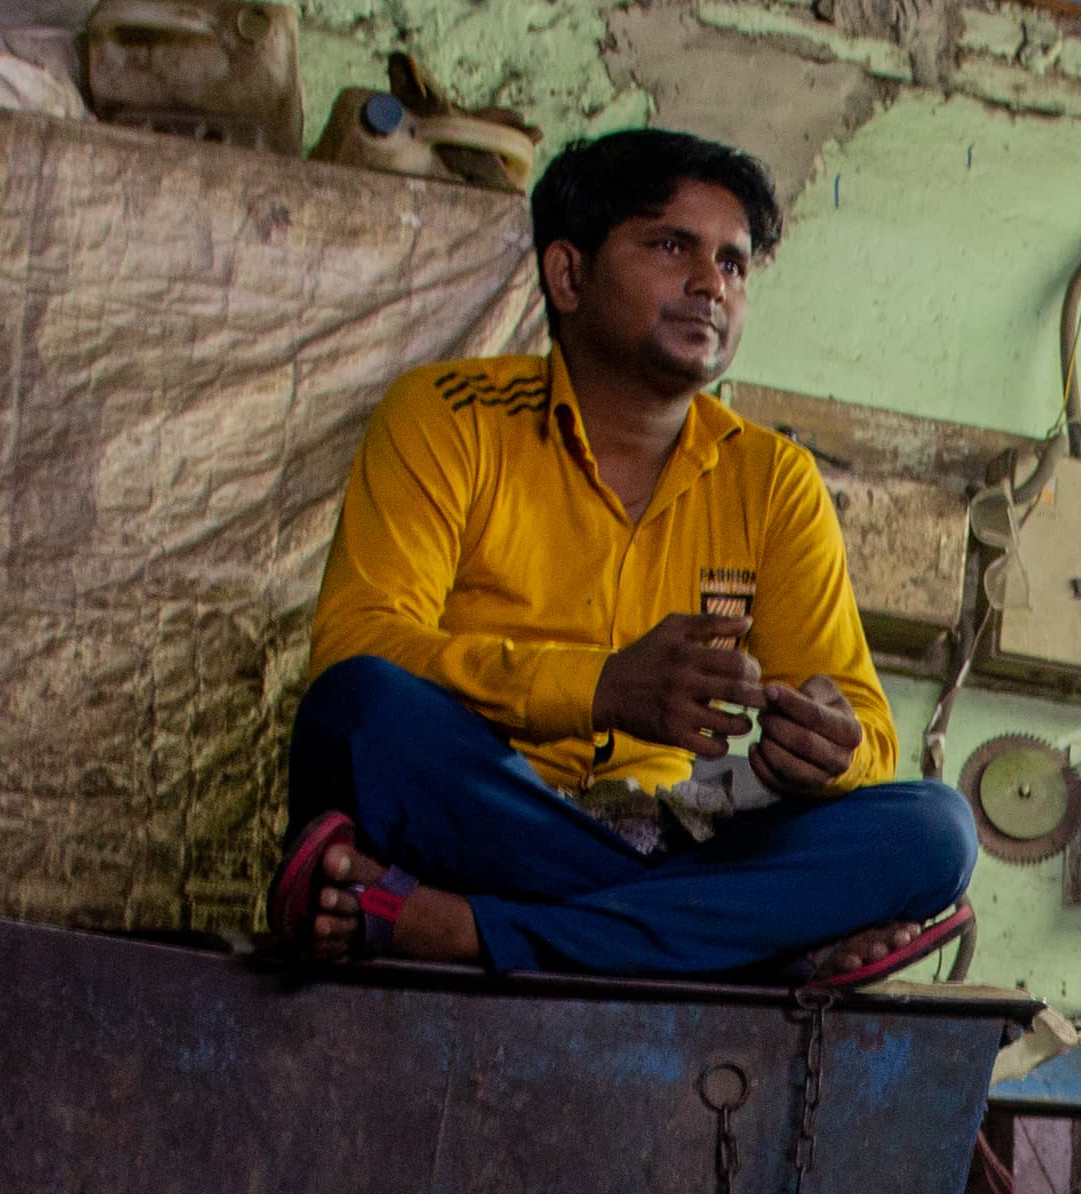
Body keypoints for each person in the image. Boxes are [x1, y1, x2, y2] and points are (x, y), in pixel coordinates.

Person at [275, 127, 974, 981]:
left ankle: (469, 934)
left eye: (734, 263)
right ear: (568, 275)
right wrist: (599, 686)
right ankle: (748, 948)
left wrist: (832, 751)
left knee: (935, 833)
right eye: (671, 244)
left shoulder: (774, 479)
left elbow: (865, 727)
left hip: (675, 836)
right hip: (492, 822)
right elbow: (358, 644)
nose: (711, 283)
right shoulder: (447, 417)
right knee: (360, 714)